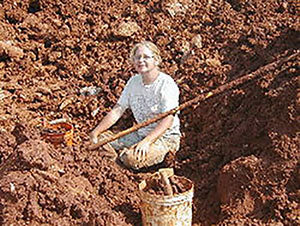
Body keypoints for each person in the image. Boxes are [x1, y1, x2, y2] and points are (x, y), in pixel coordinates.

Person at [90, 41, 181, 170]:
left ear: (156, 60)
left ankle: (119, 162)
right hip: (139, 135)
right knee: (99, 140)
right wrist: (95, 132)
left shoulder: (166, 84)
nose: (141, 60)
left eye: (146, 57)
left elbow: (168, 119)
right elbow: (117, 110)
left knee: (130, 158)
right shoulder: (133, 82)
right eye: (137, 57)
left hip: (164, 138)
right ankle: (114, 163)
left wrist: (146, 142)